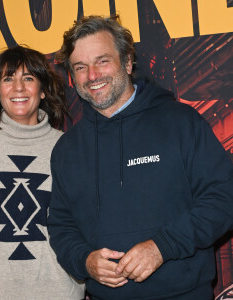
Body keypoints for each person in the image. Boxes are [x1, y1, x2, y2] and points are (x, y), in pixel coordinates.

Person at [48, 15, 233, 300]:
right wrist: (84, 260)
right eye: (81, 67)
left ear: (128, 63)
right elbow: (61, 226)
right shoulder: (66, 149)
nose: (93, 76)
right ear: (72, 78)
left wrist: (162, 247)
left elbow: (224, 197)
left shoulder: (180, 122)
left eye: (102, 61)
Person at [0, 45, 84, 300]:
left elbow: (82, 223)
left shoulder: (66, 146)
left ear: (42, 91)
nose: (18, 87)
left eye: (28, 78)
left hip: (58, 292)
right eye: (8, 79)